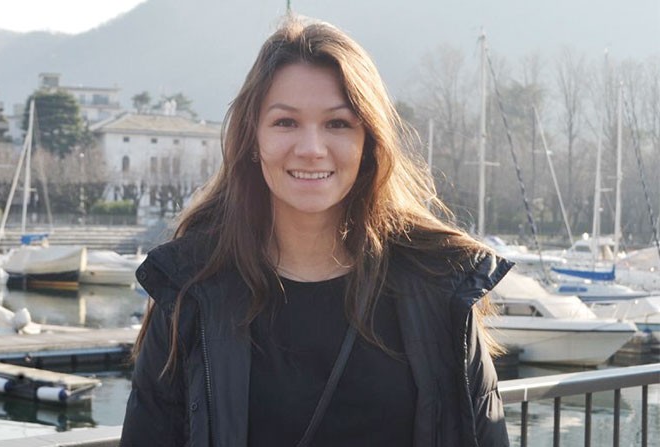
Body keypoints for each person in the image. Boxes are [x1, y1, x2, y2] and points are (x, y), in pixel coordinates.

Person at [121, 15, 512, 447]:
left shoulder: (439, 285)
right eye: (285, 122)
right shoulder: (192, 289)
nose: (310, 149)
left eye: (338, 124)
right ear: (253, 139)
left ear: (369, 143)